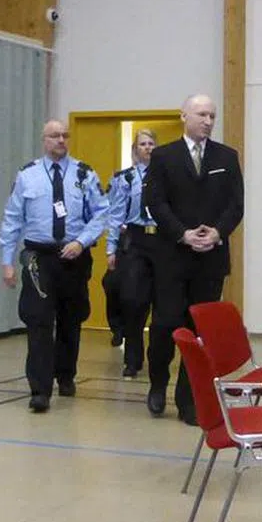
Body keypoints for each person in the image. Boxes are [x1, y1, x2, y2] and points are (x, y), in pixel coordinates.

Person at [141, 95, 244, 424]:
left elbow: (235, 204)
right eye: (202, 114)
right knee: (166, 323)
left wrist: (217, 233)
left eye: (212, 115)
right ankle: (158, 382)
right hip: (173, 256)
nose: (208, 120)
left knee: (199, 330)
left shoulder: (226, 157)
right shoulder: (163, 156)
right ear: (184, 115)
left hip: (210, 258)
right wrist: (182, 234)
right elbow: (155, 203)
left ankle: (189, 399)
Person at [0, 119, 108, 412]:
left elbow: (101, 213)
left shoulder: (84, 174)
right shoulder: (28, 176)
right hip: (39, 258)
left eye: (65, 135)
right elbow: (12, 218)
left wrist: (82, 241)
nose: (61, 140)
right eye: (54, 136)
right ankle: (40, 388)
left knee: (71, 320)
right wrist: (7, 260)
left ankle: (66, 375)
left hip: (74, 255)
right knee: (39, 322)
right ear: (44, 140)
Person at [105, 129, 159, 378]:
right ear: (135, 149)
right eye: (143, 144)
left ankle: (158, 358)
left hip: (161, 238)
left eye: (151, 143)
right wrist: (111, 248)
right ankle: (132, 359)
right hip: (135, 238)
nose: (147, 147)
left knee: (161, 303)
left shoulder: (165, 175)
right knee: (133, 301)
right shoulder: (124, 179)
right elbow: (115, 214)